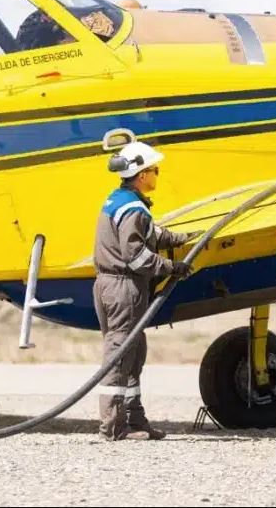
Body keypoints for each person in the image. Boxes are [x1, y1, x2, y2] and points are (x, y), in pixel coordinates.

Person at [93, 141, 197, 441]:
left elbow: (150, 233)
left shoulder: (119, 200)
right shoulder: (133, 209)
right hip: (124, 288)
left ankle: (135, 420)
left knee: (133, 354)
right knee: (120, 355)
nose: (157, 175)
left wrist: (180, 238)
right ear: (142, 175)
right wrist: (171, 267)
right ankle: (113, 427)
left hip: (111, 285)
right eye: (155, 170)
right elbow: (136, 256)